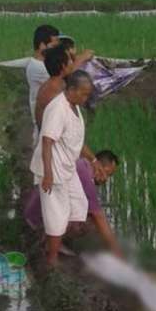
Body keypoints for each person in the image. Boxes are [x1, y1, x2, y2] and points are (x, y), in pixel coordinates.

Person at [30, 71, 95, 266]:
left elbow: (75, 140)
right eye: (83, 94)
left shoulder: (74, 106)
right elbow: (47, 141)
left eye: (88, 94)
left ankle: (52, 242)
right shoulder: (58, 108)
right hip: (53, 169)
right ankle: (52, 260)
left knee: (79, 207)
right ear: (72, 89)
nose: (86, 98)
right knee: (57, 215)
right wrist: (48, 174)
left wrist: (93, 160)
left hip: (67, 167)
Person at [24, 150, 122, 257]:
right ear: (98, 164)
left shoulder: (80, 164)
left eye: (109, 176)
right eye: (107, 173)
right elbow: (98, 216)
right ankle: (49, 243)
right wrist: (118, 254)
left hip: (34, 212)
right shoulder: (84, 174)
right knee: (89, 224)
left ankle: (54, 239)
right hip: (38, 221)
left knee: (86, 214)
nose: (106, 179)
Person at [26, 24, 60, 127]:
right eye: (54, 46)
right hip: (44, 124)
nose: (57, 50)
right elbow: (64, 79)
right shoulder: (40, 68)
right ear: (42, 46)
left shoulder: (42, 64)